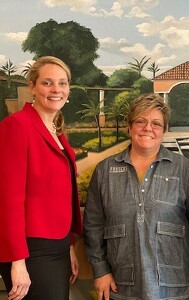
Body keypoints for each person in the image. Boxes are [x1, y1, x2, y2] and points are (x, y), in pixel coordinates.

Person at [83, 93, 189, 300]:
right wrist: (100, 270)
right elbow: (93, 226)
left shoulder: (184, 169)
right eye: (140, 121)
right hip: (121, 285)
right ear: (129, 127)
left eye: (156, 123)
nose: (148, 128)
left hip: (174, 284)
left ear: (164, 130)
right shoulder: (105, 170)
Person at [0, 56, 82, 299]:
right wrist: (17, 262)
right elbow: (8, 199)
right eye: (48, 83)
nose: (57, 89)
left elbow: (59, 196)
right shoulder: (16, 126)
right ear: (32, 87)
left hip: (56, 246)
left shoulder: (56, 131)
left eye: (63, 83)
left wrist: (69, 247)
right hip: (31, 250)